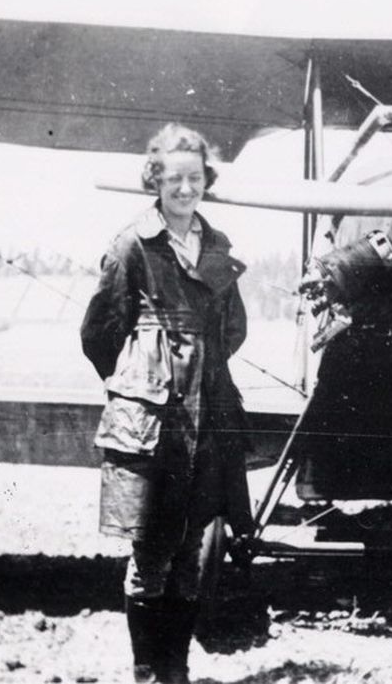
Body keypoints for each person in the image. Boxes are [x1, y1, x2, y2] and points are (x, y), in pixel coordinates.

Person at [81, 123, 253, 683]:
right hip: (151, 421)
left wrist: (200, 369)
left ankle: (175, 669)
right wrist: (143, 383)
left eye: (195, 178)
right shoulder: (133, 244)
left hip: (208, 416)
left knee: (191, 554)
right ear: (154, 180)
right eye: (173, 178)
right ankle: (147, 672)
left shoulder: (219, 247)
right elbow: (100, 333)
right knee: (151, 555)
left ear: (207, 181)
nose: (185, 189)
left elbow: (232, 331)